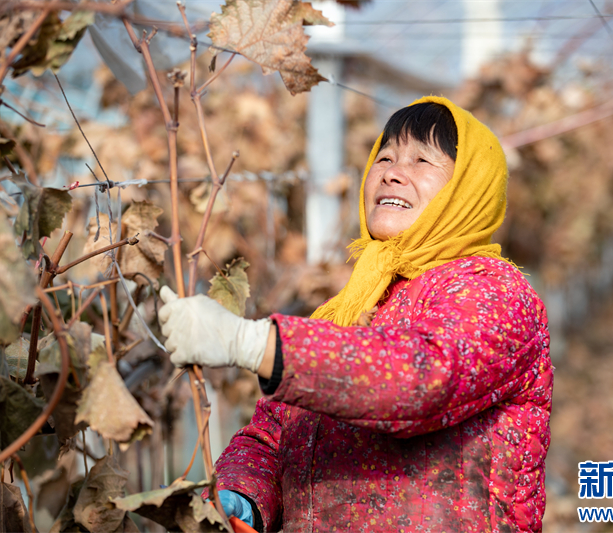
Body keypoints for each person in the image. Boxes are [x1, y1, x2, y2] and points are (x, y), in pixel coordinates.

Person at [159, 96, 553, 532]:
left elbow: (420, 378)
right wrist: (241, 495)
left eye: (422, 160)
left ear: (468, 190)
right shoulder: (351, 304)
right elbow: (273, 434)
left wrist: (250, 343)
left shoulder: (495, 291)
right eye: (384, 157)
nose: (391, 172)